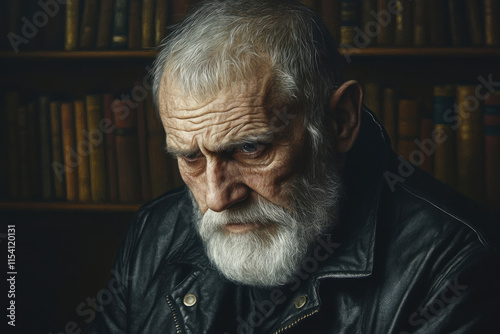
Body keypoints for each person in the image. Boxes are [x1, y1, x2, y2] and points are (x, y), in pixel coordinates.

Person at [91, 1, 499, 333]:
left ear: (340, 121)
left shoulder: (456, 263)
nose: (216, 198)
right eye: (191, 157)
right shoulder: (154, 232)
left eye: (250, 148)